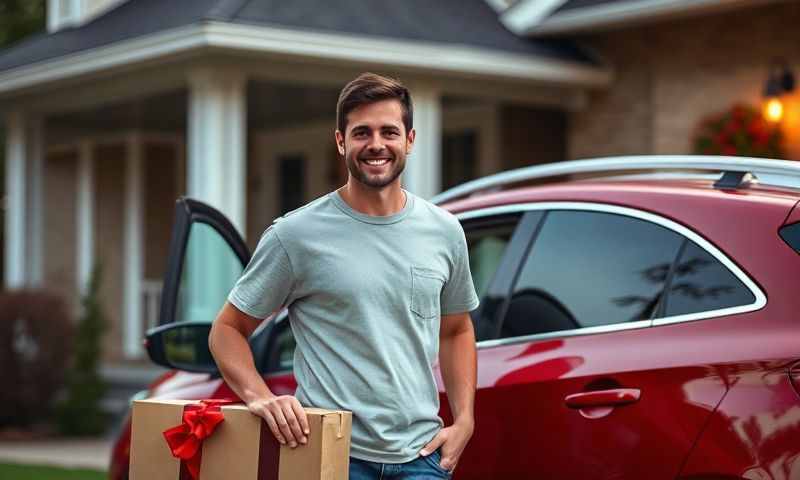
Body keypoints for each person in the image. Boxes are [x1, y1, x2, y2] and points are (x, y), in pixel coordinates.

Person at [209, 72, 479, 479]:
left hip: (423, 457)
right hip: (331, 456)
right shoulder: (295, 235)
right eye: (361, 133)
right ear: (340, 141)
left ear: (410, 139)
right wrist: (260, 398)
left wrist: (465, 422)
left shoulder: (444, 231)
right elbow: (228, 329)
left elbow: (456, 330)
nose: (376, 145)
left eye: (389, 131)